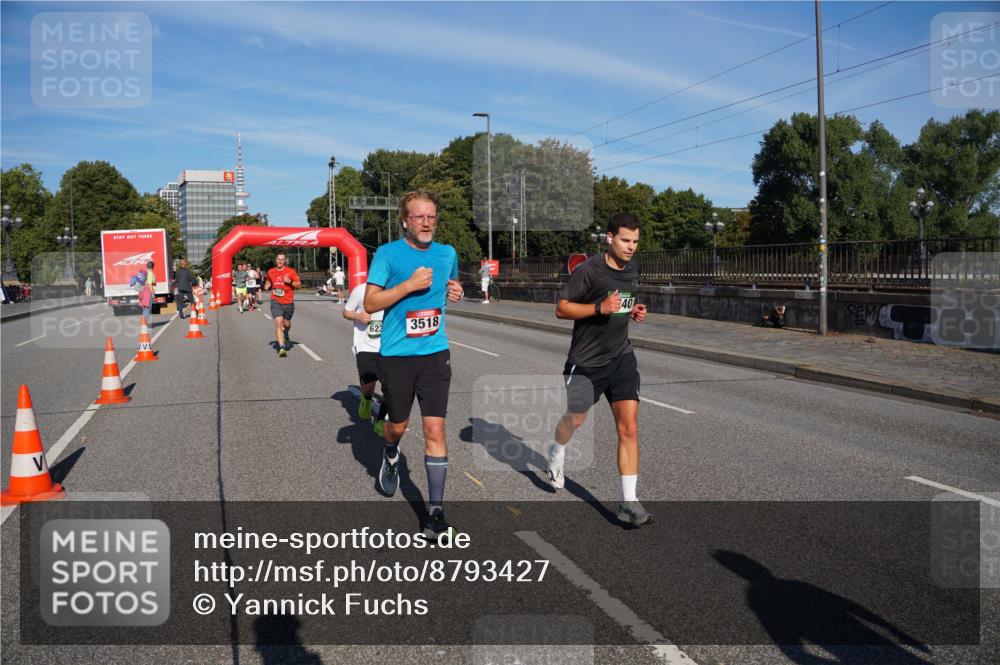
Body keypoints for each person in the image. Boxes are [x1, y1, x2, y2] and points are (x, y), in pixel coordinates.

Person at [364, 190, 464, 541]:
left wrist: (456, 291)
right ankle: (390, 451)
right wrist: (408, 285)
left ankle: (435, 513)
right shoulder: (388, 254)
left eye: (431, 217)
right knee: (398, 426)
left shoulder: (447, 253)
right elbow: (371, 301)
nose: (426, 223)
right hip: (397, 356)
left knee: (435, 430)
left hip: (435, 353)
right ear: (404, 221)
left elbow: (452, 283)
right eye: (419, 217)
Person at [548, 212, 652, 527]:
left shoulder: (632, 269)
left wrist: (631, 310)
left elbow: (621, 302)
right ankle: (557, 449)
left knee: (629, 428)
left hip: (621, 358)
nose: (631, 246)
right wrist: (599, 308)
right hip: (587, 362)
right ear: (609, 238)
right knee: (575, 419)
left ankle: (628, 502)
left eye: (635, 241)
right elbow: (561, 309)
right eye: (625, 240)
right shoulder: (589, 270)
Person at [343, 281, 387, 437]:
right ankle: (366, 398)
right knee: (369, 385)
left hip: (390, 345)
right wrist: (357, 315)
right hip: (366, 345)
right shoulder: (361, 290)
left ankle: (380, 420)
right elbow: (346, 312)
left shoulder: (396, 288)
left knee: (391, 387)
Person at [264, 253, 302, 357]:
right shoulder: (271, 271)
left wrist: (290, 282)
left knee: (286, 324)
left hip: (288, 302)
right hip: (275, 301)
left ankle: (285, 333)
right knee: (279, 322)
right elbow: (268, 281)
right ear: (276, 260)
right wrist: (267, 285)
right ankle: (282, 347)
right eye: (278, 259)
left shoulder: (291, 271)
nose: (280, 261)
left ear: (285, 261)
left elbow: (299, 284)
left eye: (282, 259)